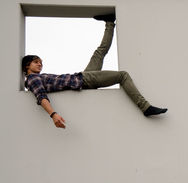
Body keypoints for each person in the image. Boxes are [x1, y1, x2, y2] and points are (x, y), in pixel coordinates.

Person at [22, 14, 167, 129]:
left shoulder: (36, 77)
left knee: (99, 53)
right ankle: (145, 107)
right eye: (36, 62)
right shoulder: (33, 79)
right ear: (27, 66)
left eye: (41, 62)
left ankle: (110, 22)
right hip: (83, 81)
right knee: (122, 75)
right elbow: (41, 97)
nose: (40, 64)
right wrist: (53, 115)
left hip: (81, 77)